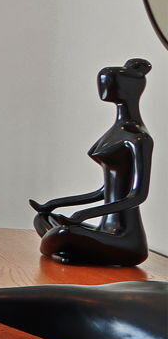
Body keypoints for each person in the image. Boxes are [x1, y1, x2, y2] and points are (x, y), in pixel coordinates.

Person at [31, 58, 153, 266]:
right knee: (43, 219)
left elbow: (137, 196)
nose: (103, 89)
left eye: (110, 84)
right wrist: (53, 204)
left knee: (62, 232)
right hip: (104, 229)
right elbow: (104, 191)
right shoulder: (116, 131)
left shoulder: (139, 138)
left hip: (126, 240)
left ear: (129, 88)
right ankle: (67, 249)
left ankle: (63, 249)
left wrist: (83, 215)